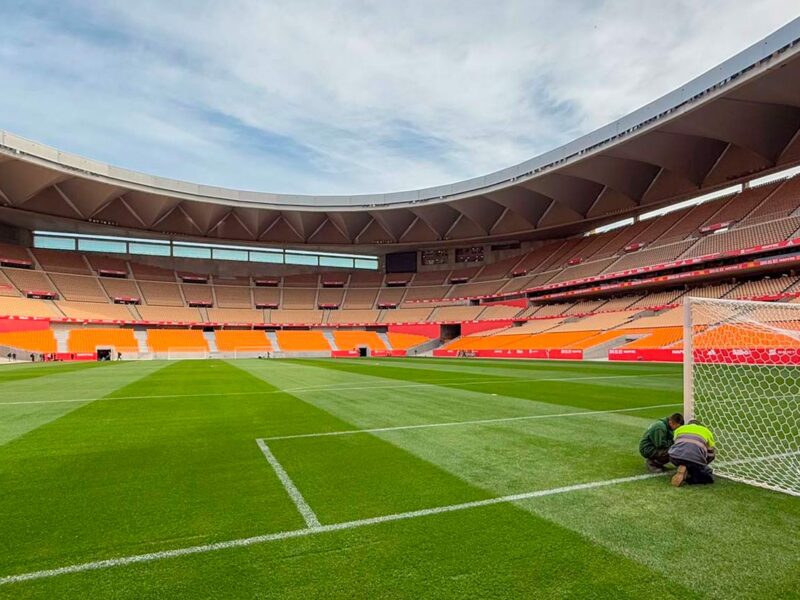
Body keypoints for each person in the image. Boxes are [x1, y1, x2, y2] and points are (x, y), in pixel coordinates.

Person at [668, 420, 716, 487]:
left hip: (674, 458)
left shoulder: (679, 429)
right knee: (708, 476)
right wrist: (703, 464)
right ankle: (689, 475)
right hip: (694, 460)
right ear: (700, 426)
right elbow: (711, 453)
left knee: (687, 459)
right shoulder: (706, 431)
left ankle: (685, 467)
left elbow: (675, 443)